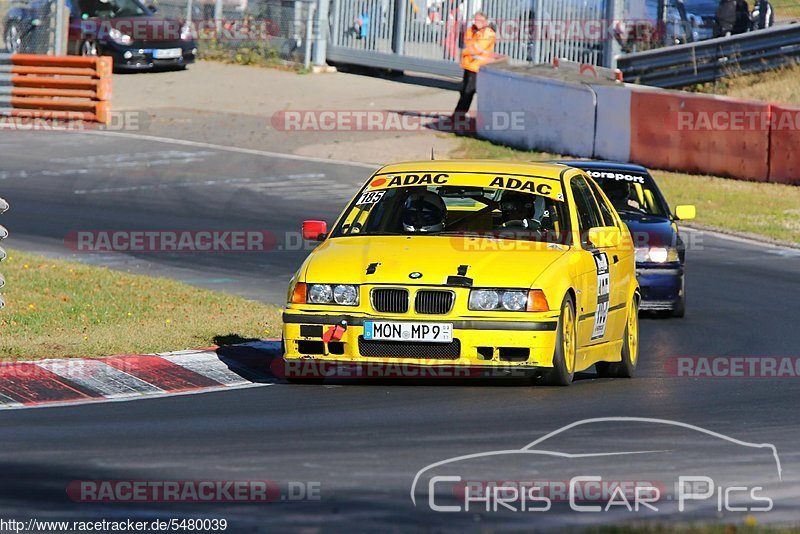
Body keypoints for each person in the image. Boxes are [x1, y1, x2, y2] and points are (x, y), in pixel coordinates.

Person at [453, 12, 496, 123]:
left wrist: (464, 52)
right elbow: (467, 42)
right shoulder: (472, 30)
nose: (477, 22)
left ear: (485, 21)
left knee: (468, 91)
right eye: (475, 20)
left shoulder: (487, 33)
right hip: (469, 65)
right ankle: (459, 115)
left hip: (477, 66)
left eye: (480, 20)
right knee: (464, 90)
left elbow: (477, 48)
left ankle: (458, 116)